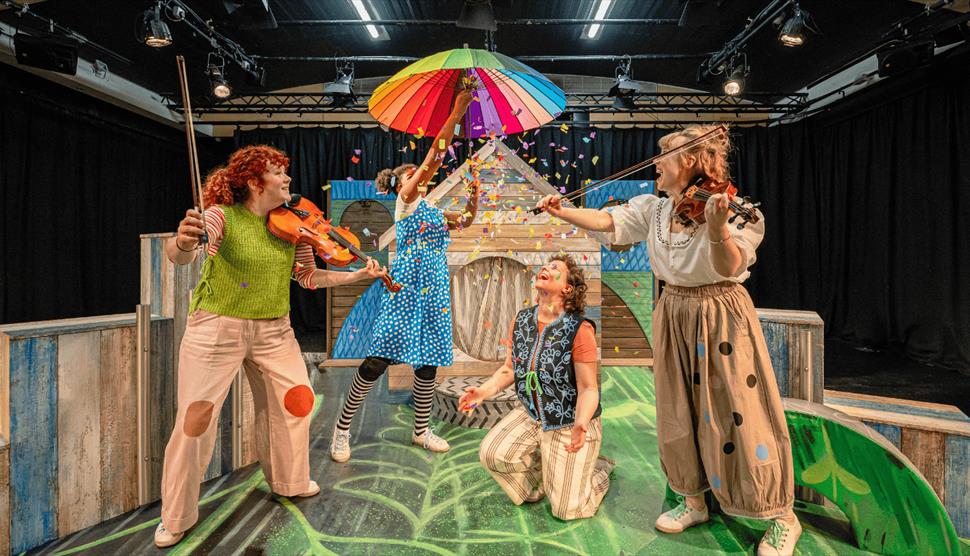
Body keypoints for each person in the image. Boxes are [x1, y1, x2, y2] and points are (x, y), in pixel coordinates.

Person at [536, 124, 800, 555]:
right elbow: (609, 221)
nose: (657, 163)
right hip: (673, 309)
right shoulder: (655, 209)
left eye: (665, 156)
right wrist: (562, 211)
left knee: (740, 410)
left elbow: (730, 264)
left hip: (720, 312)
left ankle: (779, 515)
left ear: (691, 161)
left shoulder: (733, 210)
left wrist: (717, 229)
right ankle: (692, 498)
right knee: (677, 410)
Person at [155, 145, 384, 548]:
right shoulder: (220, 216)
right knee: (196, 421)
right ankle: (176, 516)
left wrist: (354, 276)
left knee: (296, 401)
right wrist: (183, 241)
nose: (288, 180)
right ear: (254, 181)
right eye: (279, 173)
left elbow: (309, 278)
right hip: (216, 328)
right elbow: (182, 254)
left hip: (274, 330)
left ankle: (289, 481)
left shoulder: (293, 226)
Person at [330, 78, 480, 461]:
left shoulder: (431, 209)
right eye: (410, 176)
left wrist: (475, 198)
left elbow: (463, 221)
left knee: (428, 361)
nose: (418, 179)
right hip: (405, 288)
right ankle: (342, 429)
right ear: (401, 185)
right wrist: (458, 109)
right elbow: (434, 156)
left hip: (434, 290)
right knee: (379, 359)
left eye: (417, 176)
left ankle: (421, 430)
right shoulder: (407, 202)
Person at [459, 254, 614, 521]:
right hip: (532, 414)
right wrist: (482, 392)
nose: (545, 267)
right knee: (492, 454)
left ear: (567, 288)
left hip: (569, 420)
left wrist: (581, 423)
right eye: (545, 265)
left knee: (568, 510)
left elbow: (588, 389)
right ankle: (545, 476)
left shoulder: (579, 329)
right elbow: (510, 369)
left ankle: (597, 471)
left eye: (555, 268)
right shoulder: (521, 320)